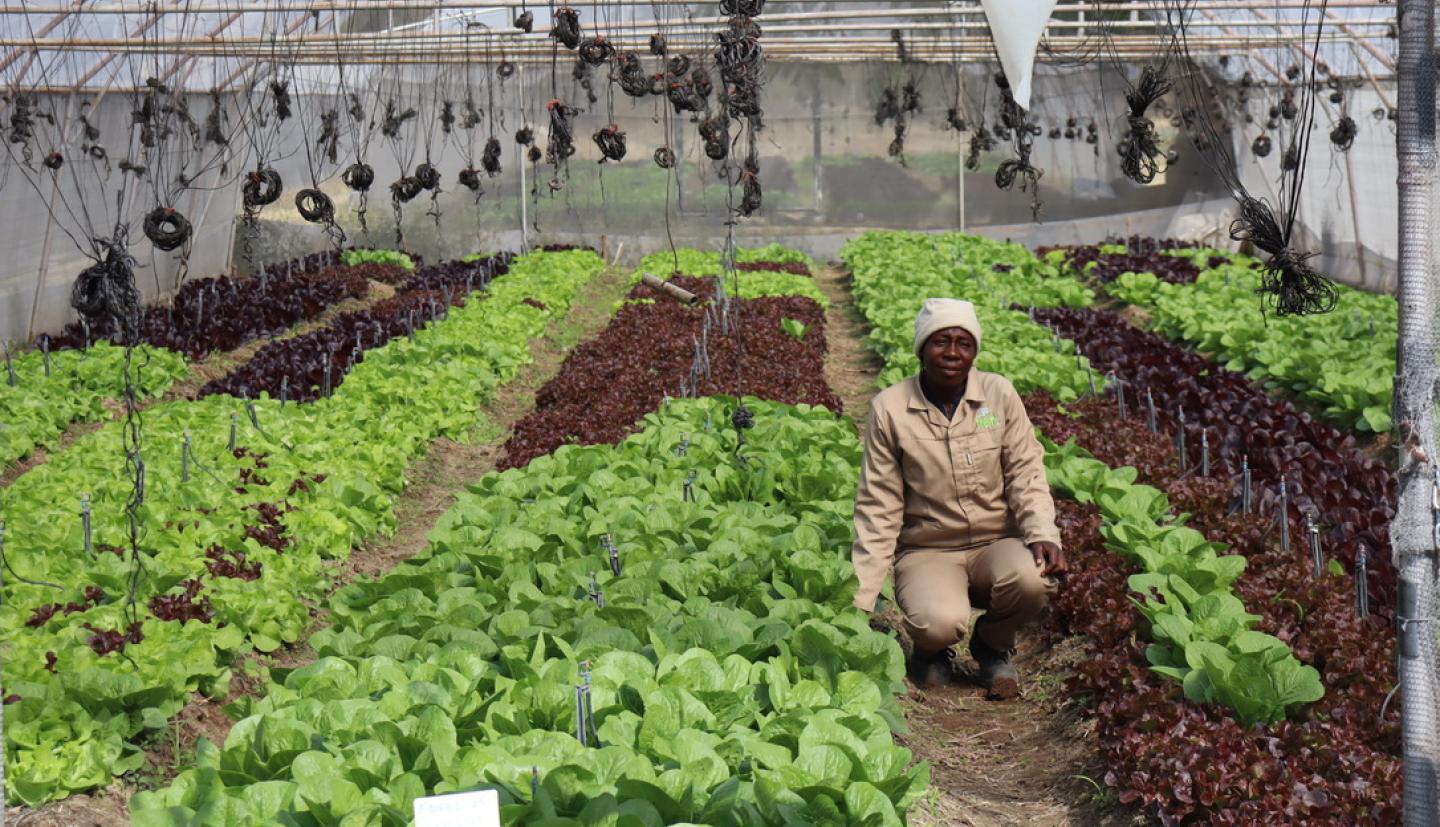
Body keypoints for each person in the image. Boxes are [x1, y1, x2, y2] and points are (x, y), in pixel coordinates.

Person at [851, 298, 1067, 698]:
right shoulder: (891, 409)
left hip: (995, 543)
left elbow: (1026, 470)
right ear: (921, 348)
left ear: (975, 351)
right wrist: (862, 598)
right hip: (928, 549)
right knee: (937, 621)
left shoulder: (997, 396)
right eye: (940, 341)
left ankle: (991, 645)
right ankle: (931, 653)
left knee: (1033, 580)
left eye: (964, 343)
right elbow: (879, 504)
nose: (952, 352)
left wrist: (1042, 532)